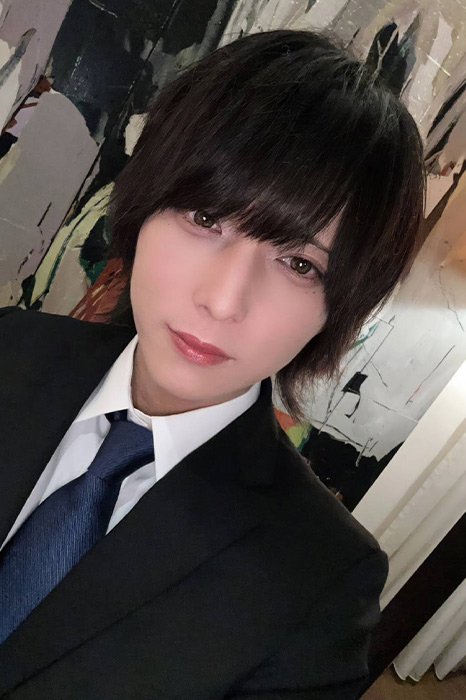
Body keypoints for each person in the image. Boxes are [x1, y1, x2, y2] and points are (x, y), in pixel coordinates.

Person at [0, 28, 425, 699]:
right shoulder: (11, 346)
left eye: (299, 263)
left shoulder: (320, 582)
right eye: (205, 218)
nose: (223, 301)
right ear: (145, 204)